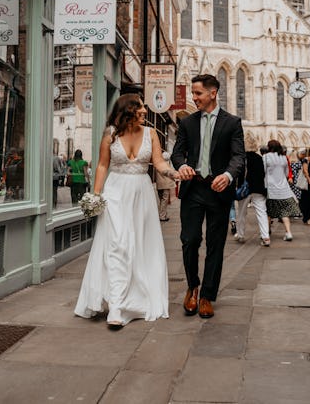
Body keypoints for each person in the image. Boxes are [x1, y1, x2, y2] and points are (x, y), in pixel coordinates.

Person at [74, 93, 179, 329]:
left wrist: (173, 173)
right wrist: (96, 195)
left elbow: (159, 163)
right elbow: (102, 165)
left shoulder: (151, 133)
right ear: (128, 110)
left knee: (140, 246)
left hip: (141, 194)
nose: (144, 110)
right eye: (140, 107)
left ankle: (135, 298)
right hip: (115, 193)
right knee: (117, 245)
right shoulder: (110, 134)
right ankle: (117, 306)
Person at [171, 74, 245, 319]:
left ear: (213, 93)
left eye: (198, 93)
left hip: (219, 190)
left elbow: (238, 157)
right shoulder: (187, 122)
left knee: (216, 245)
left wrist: (228, 174)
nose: (194, 98)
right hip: (193, 189)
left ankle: (207, 296)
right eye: (193, 93)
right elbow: (177, 153)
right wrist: (181, 165)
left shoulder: (232, 122)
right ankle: (192, 287)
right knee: (190, 240)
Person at [234, 136, 270, 246]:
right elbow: (263, 174)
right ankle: (265, 236)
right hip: (259, 188)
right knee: (261, 212)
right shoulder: (260, 158)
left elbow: (239, 174)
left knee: (241, 213)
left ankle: (240, 234)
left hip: (245, 189)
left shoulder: (242, 158)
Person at [263, 139, 299, 241]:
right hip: (283, 189)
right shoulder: (283, 158)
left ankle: (267, 231)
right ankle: (288, 233)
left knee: (268, 211)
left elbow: (263, 171)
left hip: (271, 188)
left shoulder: (266, 157)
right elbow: (287, 174)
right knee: (284, 212)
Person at [156, 150, 176, 222]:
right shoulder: (166, 165)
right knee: (164, 201)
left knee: (161, 200)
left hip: (159, 185)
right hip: (166, 185)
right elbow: (169, 173)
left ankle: (163, 214)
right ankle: (162, 216)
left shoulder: (158, 164)